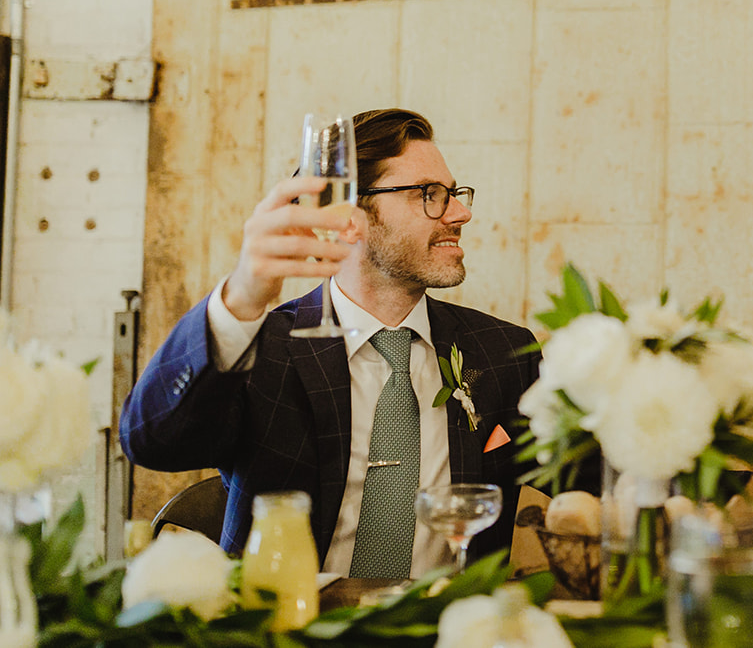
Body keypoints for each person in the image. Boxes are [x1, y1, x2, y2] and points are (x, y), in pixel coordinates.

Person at [121, 109, 534, 577]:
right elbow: (151, 444)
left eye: (454, 194)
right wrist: (240, 296)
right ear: (350, 217)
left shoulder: (505, 352)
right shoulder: (264, 349)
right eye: (430, 195)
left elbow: (588, 478)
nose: (461, 212)